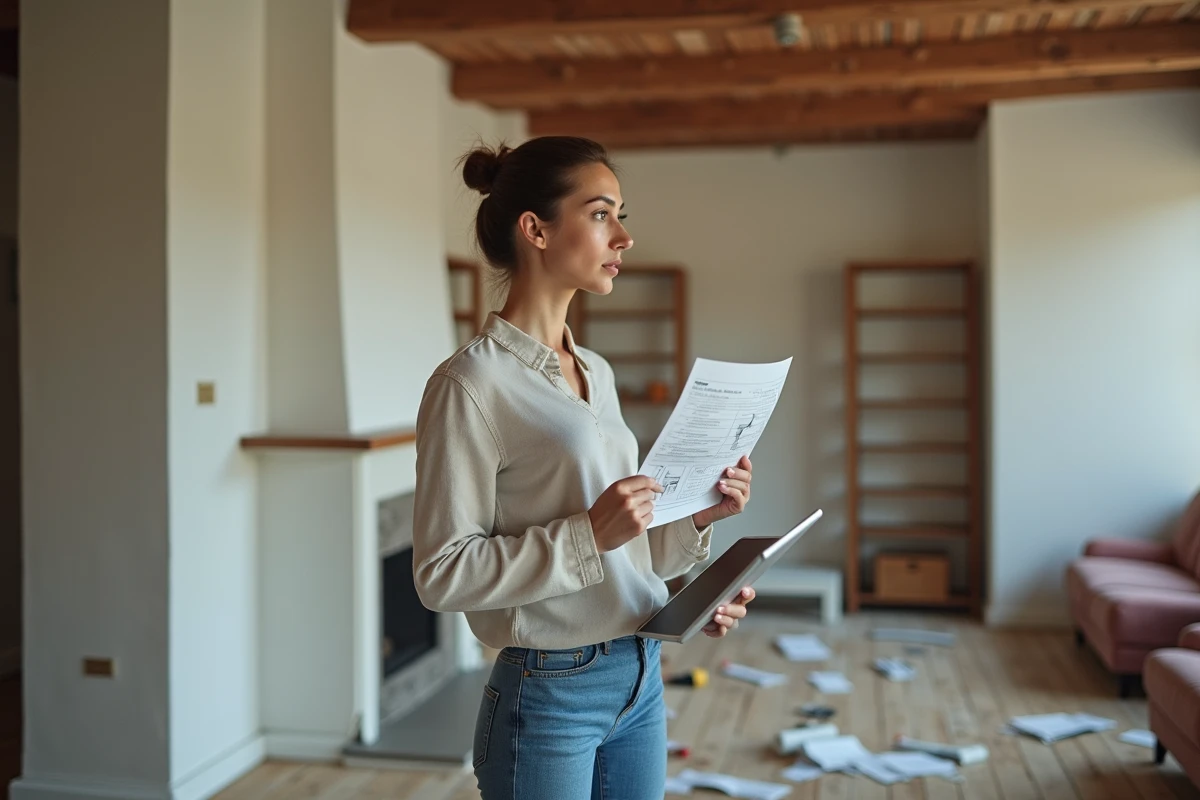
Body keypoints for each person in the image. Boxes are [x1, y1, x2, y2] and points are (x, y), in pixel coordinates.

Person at [411, 136, 757, 800]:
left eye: (620, 215)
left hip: (641, 675)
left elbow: (638, 557)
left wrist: (702, 521)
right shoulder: (470, 384)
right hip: (548, 695)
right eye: (601, 214)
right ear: (535, 229)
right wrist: (588, 534)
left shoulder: (596, 370)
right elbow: (440, 572)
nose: (623, 237)